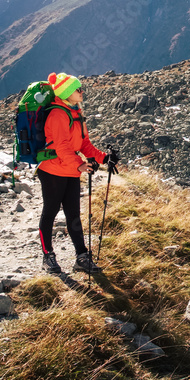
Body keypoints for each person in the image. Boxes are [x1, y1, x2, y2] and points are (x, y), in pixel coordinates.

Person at [36, 72, 118, 274]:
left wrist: (104, 158)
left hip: (70, 171)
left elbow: (84, 144)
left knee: (73, 214)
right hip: (52, 170)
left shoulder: (76, 113)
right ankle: (48, 256)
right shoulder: (57, 114)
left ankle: (81, 257)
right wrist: (80, 165)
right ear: (66, 92)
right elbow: (61, 146)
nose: (81, 91)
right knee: (50, 212)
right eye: (77, 89)